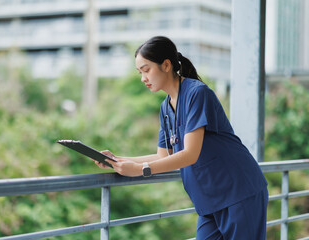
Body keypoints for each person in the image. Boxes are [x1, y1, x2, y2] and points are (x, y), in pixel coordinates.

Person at [94, 36, 268, 240]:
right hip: (209, 202)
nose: (143, 78)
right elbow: (163, 156)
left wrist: (141, 170)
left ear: (166, 65)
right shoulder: (165, 108)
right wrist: (119, 160)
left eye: (146, 69)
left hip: (238, 192)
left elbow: (189, 154)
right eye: (140, 72)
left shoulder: (197, 93)